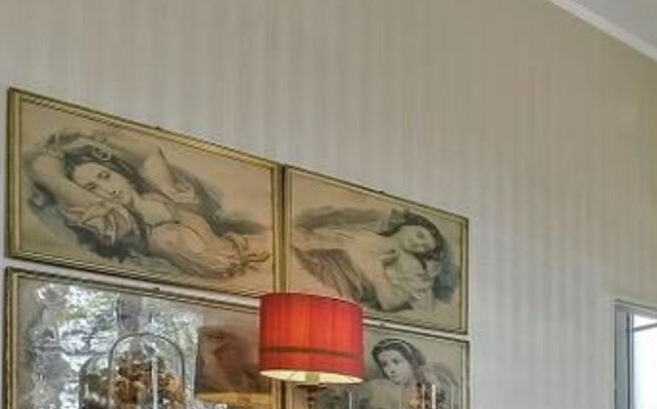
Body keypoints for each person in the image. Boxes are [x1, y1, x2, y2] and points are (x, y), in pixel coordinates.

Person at [23, 132, 270, 281]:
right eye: (91, 188)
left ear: (121, 173)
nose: (105, 189)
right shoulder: (118, 221)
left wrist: (96, 136)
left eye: (105, 177)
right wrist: (57, 152)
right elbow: (45, 173)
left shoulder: (164, 197)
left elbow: (151, 153)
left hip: (248, 253)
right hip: (221, 276)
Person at [290, 207, 454, 315]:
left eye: (425, 248)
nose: (419, 244)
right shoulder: (364, 235)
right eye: (420, 235)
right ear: (406, 225)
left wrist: (378, 269)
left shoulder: (413, 267)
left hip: (339, 300)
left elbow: (389, 303)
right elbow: (313, 240)